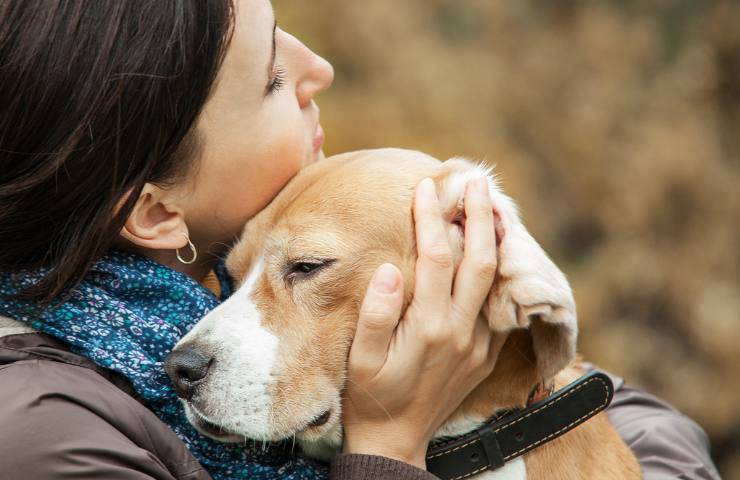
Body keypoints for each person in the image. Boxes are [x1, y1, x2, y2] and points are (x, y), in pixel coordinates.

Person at [0, 1, 720, 479]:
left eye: (304, 266)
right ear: (156, 213)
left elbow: (651, 435)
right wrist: (387, 442)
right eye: (272, 79)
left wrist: (510, 384)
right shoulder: (42, 436)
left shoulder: (241, 271)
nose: (321, 69)